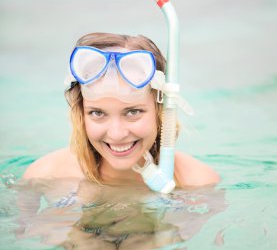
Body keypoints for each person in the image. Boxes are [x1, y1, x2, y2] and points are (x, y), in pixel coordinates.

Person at [23, 32, 220, 188]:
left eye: (132, 112)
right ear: (81, 113)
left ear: (162, 110)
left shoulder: (200, 183)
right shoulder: (42, 177)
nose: (117, 134)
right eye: (97, 113)